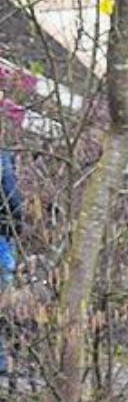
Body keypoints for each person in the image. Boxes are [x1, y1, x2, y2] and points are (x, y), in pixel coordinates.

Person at [0, 148, 23, 381]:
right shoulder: (2, 160)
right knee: (3, 299)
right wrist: (16, 226)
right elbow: (13, 199)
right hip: (1, 235)